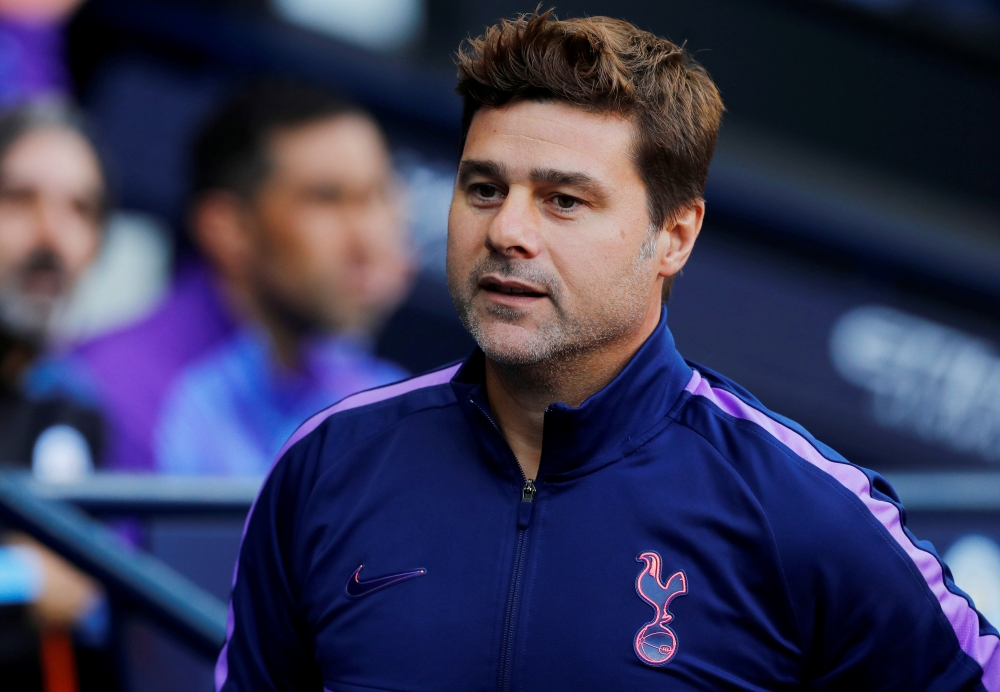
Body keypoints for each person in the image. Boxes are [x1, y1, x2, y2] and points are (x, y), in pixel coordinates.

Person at [216, 11, 998, 691]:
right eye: (484, 188)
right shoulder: (326, 466)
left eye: (564, 200)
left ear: (675, 236)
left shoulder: (802, 506)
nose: (507, 230)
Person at [154, 82, 410, 476]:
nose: (369, 237)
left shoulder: (378, 391)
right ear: (229, 228)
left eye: (377, 196)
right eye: (327, 199)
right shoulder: (129, 396)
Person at [0, 99, 110, 690]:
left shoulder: (76, 411)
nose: (51, 235)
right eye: (19, 199)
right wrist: (23, 578)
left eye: (80, 210)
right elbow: (52, 582)